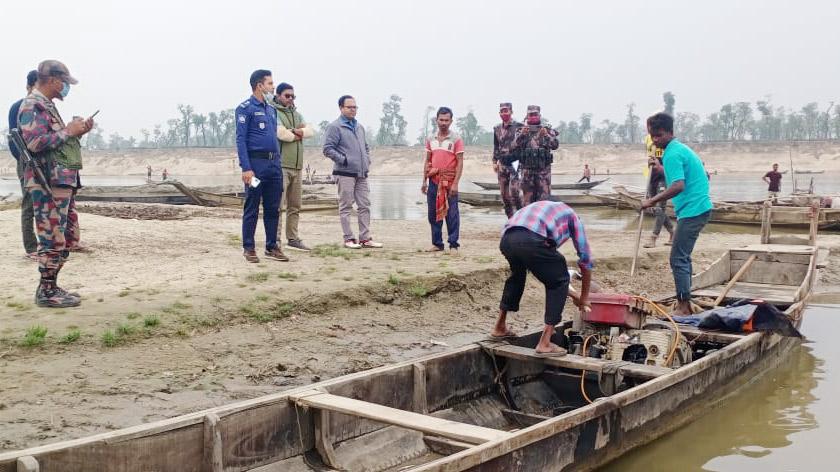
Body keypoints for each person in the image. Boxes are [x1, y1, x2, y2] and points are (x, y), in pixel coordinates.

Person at [18, 60, 93, 307]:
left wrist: (77, 132)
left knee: (63, 237)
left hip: (59, 181)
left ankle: (51, 286)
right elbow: (35, 143)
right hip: (47, 183)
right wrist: (69, 131)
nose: (66, 88)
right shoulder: (32, 105)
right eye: (64, 82)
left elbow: (56, 142)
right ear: (52, 80)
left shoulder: (46, 105)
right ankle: (46, 291)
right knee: (52, 238)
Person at [492, 200, 593, 356]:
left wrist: (575, 296)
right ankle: (545, 343)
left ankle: (499, 327)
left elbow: (544, 274)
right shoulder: (574, 218)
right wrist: (584, 298)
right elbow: (586, 260)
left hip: (507, 239)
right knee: (561, 277)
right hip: (530, 239)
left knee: (517, 276)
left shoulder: (545, 209)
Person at [641, 112, 712, 315]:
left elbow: (678, 185)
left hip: (694, 210)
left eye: (659, 135)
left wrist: (651, 201)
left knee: (677, 258)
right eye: (652, 136)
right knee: (684, 256)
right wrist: (659, 168)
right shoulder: (676, 151)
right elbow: (677, 174)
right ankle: (686, 300)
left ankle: (683, 306)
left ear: (670, 132)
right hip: (696, 208)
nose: (655, 140)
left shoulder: (672, 153)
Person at [235, 69, 287, 263]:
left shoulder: (271, 109)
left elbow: (274, 137)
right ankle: (249, 248)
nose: (273, 87)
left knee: (273, 207)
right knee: (252, 206)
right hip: (256, 167)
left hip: (273, 166)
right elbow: (241, 140)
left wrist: (278, 163)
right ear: (259, 85)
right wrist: (246, 168)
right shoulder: (245, 108)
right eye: (270, 84)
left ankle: (272, 246)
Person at [323, 95, 383, 249]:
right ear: (341, 108)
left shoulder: (359, 127)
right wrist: (344, 160)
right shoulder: (335, 127)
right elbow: (327, 149)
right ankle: (349, 238)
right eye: (349, 107)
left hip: (362, 173)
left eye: (355, 107)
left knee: (364, 205)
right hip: (344, 173)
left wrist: (367, 160)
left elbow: (366, 147)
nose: (353, 110)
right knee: (346, 206)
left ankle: (365, 238)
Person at [271, 82, 314, 252]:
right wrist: (299, 133)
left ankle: (293, 238)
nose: (290, 99)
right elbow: (282, 135)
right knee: (278, 206)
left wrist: (295, 132)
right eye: (287, 96)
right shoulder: (273, 112)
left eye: (292, 96)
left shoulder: (296, 114)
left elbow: (311, 131)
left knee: (295, 206)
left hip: (297, 166)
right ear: (278, 95)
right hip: (281, 166)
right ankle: (274, 240)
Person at [422, 107, 464, 252]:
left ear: (451, 121)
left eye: (447, 120)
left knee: (452, 214)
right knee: (433, 214)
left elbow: (460, 163)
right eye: (441, 120)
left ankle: (453, 244)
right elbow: (427, 161)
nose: (444, 123)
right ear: (436, 120)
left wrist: (456, 184)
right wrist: (424, 181)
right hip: (433, 181)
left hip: (449, 181)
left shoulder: (456, 139)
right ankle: (437, 243)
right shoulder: (430, 139)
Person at [7, 70, 38, 259]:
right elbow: (13, 140)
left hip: (43, 163)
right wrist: (24, 160)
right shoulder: (18, 107)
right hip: (26, 162)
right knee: (29, 205)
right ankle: (31, 248)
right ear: (28, 87)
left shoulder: (43, 107)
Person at [514, 105, 559, 204]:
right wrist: (522, 135)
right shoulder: (520, 130)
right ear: (527, 116)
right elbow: (515, 146)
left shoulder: (547, 130)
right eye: (531, 115)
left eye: (535, 114)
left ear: (540, 115)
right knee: (527, 203)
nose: (533, 117)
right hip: (527, 174)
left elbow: (555, 145)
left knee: (544, 203)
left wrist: (546, 135)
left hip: (543, 174)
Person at [492, 102, 523, 217]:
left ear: (511, 112)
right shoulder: (497, 128)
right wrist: (494, 162)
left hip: (515, 163)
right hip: (502, 164)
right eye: (502, 111)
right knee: (504, 196)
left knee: (514, 192)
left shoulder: (519, 126)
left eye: (506, 110)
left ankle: (520, 217)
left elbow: (523, 144)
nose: (504, 113)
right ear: (499, 113)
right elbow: (496, 146)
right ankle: (510, 220)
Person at [643, 155, 674, 248]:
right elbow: (649, 184)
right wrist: (649, 197)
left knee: (659, 209)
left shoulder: (664, 169)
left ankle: (653, 238)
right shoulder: (650, 171)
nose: (651, 162)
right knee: (657, 210)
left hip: (663, 182)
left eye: (654, 160)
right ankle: (673, 233)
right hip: (653, 183)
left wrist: (658, 164)